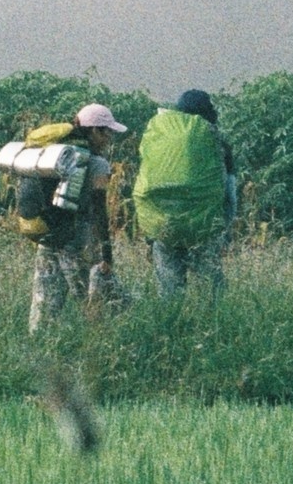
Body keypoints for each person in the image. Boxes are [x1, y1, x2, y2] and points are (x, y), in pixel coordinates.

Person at [20, 104, 132, 333]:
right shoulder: (98, 164)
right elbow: (100, 210)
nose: (109, 138)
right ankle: (101, 343)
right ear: (93, 131)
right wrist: (106, 253)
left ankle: (39, 343)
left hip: (49, 235)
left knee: (44, 302)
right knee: (92, 299)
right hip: (76, 239)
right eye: (106, 132)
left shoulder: (57, 155)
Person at [135, 88, 237, 298]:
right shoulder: (218, 144)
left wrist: (150, 231)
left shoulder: (159, 139)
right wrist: (224, 230)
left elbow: (145, 184)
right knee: (211, 292)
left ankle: (172, 328)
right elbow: (230, 195)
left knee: (170, 292)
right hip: (204, 228)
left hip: (165, 228)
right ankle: (214, 328)